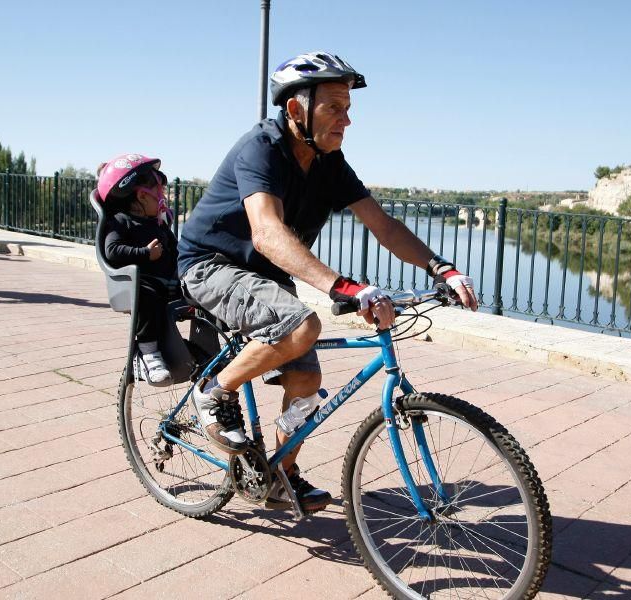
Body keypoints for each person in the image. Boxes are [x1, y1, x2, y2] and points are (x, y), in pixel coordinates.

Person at [176, 51, 478, 513]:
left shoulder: (329, 162)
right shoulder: (263, 147)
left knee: (308, 382)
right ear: (297, 109)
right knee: (301, 326)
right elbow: (267, 231)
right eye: (335, 107)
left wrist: (442, 267)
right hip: (210, 264)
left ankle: (279, 473)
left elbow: (385, 227)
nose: (347, 120)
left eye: (349, 108)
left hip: (266, 276)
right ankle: (214, 393)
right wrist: (342, 286)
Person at [97, 153, 177, 386]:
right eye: (160, 193)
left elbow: (175, 249)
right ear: (142, 195)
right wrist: (144, 253)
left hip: (168, 284)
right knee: (147, 295)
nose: (163, 199)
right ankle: (148, 354)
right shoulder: (121, 222)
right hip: (141, 283)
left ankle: (198, 353)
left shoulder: (158, 223)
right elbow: (112, 250)